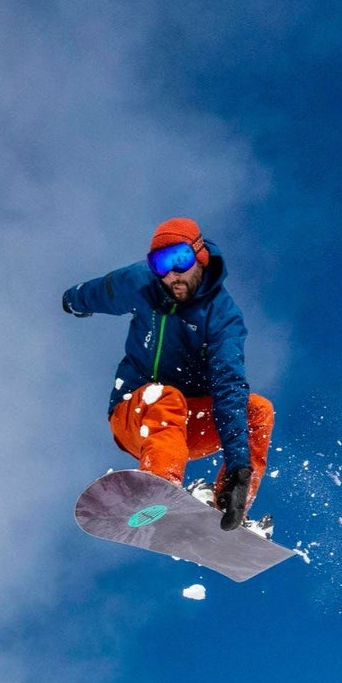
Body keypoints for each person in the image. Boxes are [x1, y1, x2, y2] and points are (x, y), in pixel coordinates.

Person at [62, 218, 273, 531]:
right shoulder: (140, 283)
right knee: (166, 396)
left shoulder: (223, 318)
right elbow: (101, 291)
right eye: (160, 265)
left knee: (258, 411)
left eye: (180, 260)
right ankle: (158, 489)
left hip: (184, 427)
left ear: (199, 255)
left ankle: (229, 507)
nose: (171, 275)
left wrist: (238, 468)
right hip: (135, 415)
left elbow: (229, 386)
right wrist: (72, 300)